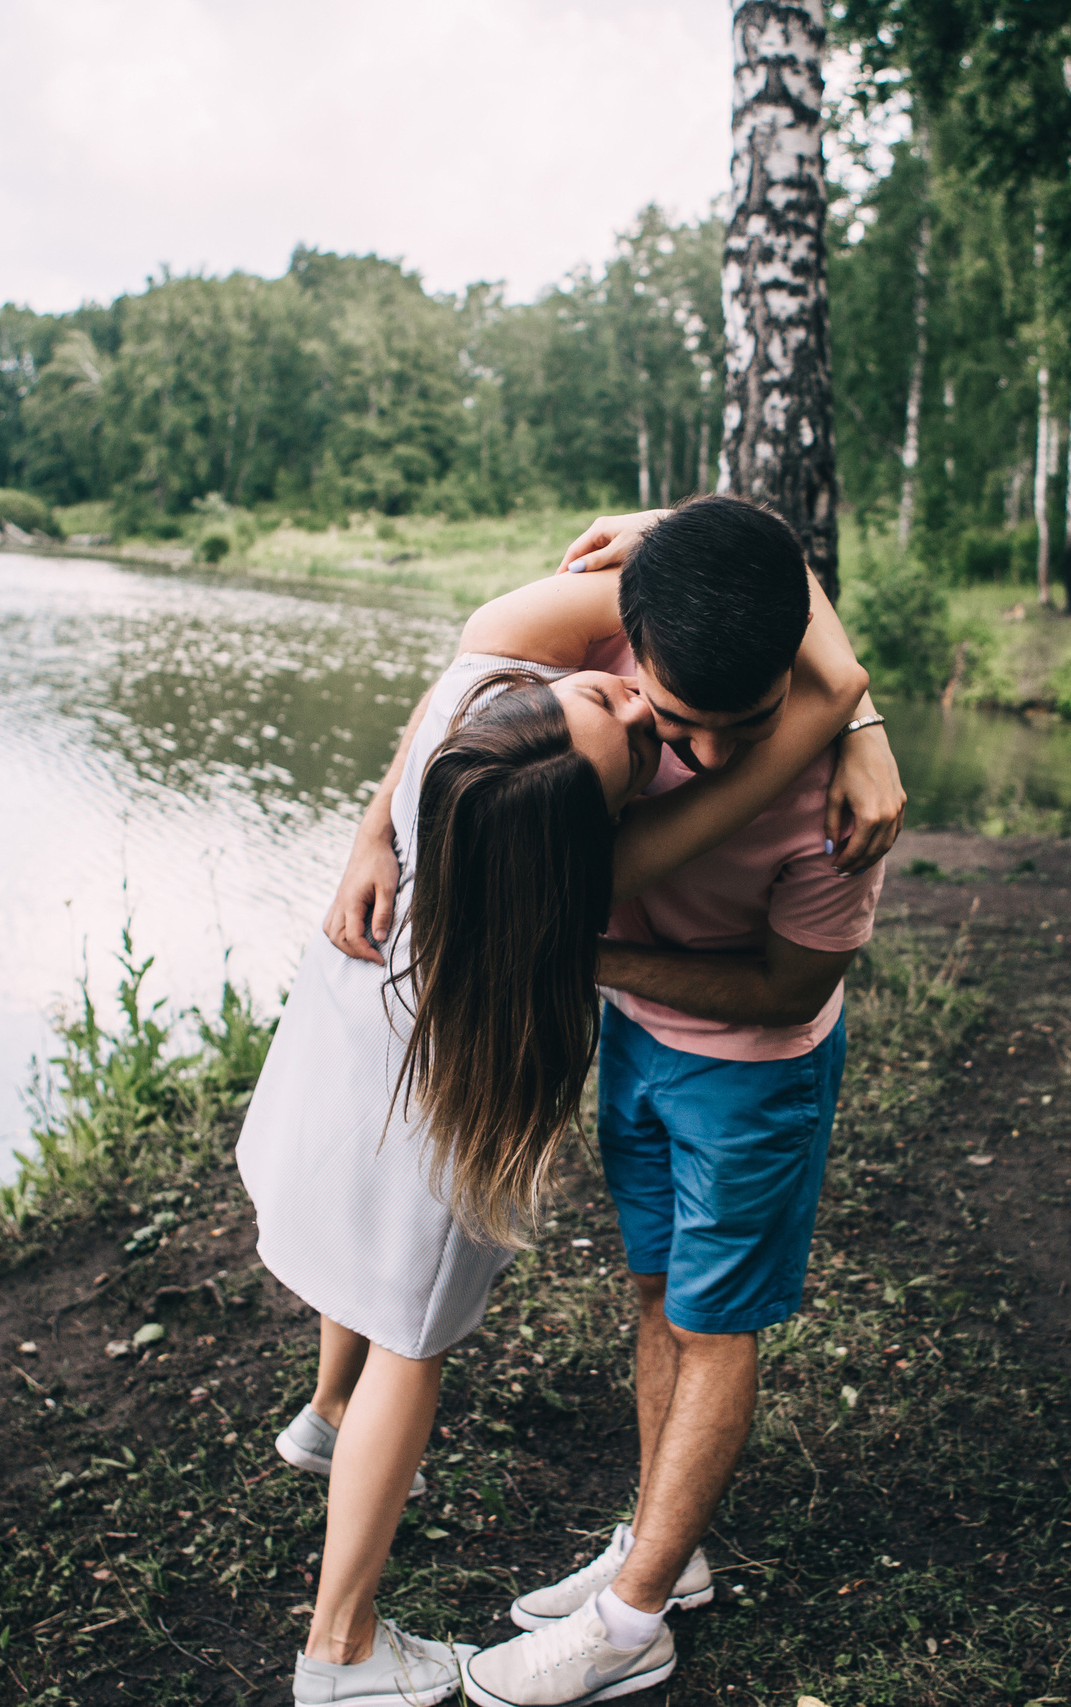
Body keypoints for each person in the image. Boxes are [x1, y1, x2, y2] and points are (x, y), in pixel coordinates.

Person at [236, 500, 902, 1707]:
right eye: (633, 721)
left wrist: (672, 544)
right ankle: (379, 1633)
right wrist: (850, 715)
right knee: (510, 1311)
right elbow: (825, 679)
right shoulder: (587, 835)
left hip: (640, 1057)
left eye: (625, 703)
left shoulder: (509, 702)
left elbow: (774, 646)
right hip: (546, 1047)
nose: (645, 716)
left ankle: (626, 1584)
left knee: (683, 1315)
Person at [458, 499, 894, 1707]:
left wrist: (851, 719)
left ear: (786, 686)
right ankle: (668, 1548)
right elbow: (741, 550)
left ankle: (631, 1620)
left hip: (750, 1075)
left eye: (740, 726)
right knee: (656, 1291)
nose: (695, 753)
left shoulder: (833, 814)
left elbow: (783, 988)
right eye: (675, 716)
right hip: (642, 1049)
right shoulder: (603, 683)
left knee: (715, 1323)